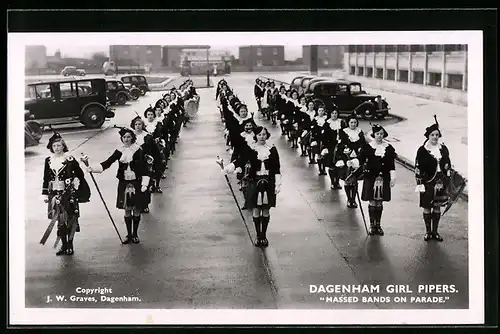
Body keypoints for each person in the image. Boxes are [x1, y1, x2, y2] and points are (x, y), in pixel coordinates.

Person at [84, 128, 151, 244]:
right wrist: (93, 168)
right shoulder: (119, 151)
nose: (126, 139)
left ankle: (135, 234)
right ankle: (128, 234)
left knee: (136, 209)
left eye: (129, 137)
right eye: (124, 137)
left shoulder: (138, 150)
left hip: (137, 182)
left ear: (132, 138)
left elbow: (145, 168)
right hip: (124, 183)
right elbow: (107, 163)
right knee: (126, 209)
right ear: (122, 138)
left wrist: (145, 184)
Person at [223, 126, 281, 247]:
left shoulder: (272, 149)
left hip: (268, 182)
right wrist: (231, 167)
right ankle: (258, 235)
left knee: (265, 209)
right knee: (255, 209)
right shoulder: (251, 149)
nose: (262, 137)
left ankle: (263, 236)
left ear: (267, 136)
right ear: (255, 136)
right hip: (254, 182)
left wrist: (277, 184)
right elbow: (241, 161)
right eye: (259, 135)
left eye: (264, 134)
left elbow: (277, 168)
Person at [42, 132, 90, 255]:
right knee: (59, 220)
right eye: (54, 146)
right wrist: (46, 194)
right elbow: (46, 178)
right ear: (51, 147)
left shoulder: (69, 159)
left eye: (59, 145)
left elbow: (80, 174)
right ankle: (64, 245)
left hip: (68, 194)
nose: (57, 148)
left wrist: (75, 181)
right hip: (54, 194)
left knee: (70, 219)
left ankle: (70, 245)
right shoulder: (48, 161)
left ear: (63, 146)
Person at [414, 119, 452, 242]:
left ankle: (435, 232)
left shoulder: (443, 149)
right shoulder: (422, 150)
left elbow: (448, 163)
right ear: (428, 136)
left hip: (440, 181)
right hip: (428, 181)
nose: (435, 137)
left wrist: (447, 168)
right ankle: (428, 232)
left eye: (437, 135)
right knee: (427, 206)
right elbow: (418, 168)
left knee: (437, 206)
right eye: (432, 135)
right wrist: (420, 183)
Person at [358, 124, 397, 235]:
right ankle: (372, 226)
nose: (379, 136)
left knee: (379, 201)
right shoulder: (368, 147)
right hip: (370, 177)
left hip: (384, 177)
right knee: (372, 200)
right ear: (373, 135)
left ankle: (378, 225)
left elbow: (391, 164)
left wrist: (393, 176)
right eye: (377, 134)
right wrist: (353, 163)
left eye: (381, 134)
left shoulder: (388, 148)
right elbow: (360, 159)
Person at [337, 113, 366, 208]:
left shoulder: (360, 132)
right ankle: (349, 198)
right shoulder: (343, 132)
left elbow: (363, 144)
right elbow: (340, 145)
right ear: (348, 123)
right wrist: (344, 151)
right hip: (347, 157)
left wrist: (361, 150)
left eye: (355, 122)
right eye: (351, 122)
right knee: (348, 179)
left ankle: (353, 199)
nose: (353, 124)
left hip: (357, 158)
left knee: (355, 180)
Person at [322, 108, 347, 189]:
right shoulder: (327, 123)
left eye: (336, 113)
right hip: (331, 147)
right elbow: (324, 137)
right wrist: (326, 147)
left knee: (339, 165)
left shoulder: (341, 122)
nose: (334, 115)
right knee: (332, 165)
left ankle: (338, 182)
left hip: (340, 146)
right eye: (332, 113)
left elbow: (345, 133)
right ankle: (333, 182)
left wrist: (342, 141)